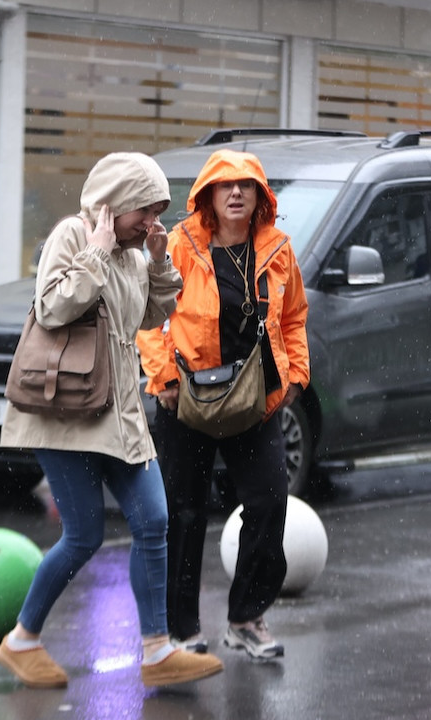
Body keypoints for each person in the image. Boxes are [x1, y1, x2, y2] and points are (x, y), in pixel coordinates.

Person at [0, 152, 224, 689]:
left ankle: (158, 650)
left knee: (154, 520)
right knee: (83, 537)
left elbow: (149, 316)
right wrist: (96, 253)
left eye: (157, 212)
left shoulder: (134, 254)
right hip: (70, 413)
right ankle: (22, 639)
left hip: (121, 413)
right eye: (144, 211)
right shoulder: (74, 236)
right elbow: (53, 308)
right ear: (114, 204)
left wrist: (159, 263)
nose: (151, 222)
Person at [137, 149, 310, 660]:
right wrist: (164, 377)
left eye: (246, 185)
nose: (236, 193)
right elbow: (149, 315)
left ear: (260, 196)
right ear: (207, 195)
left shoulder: (278, 250)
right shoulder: (179, 244)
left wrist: (296, 375)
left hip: (256, 401)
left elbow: (294, 317)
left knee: (268, 504)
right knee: (184, 513)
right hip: (185, 400)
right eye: (225, 185)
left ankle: (246, 618)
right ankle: (180, 629)